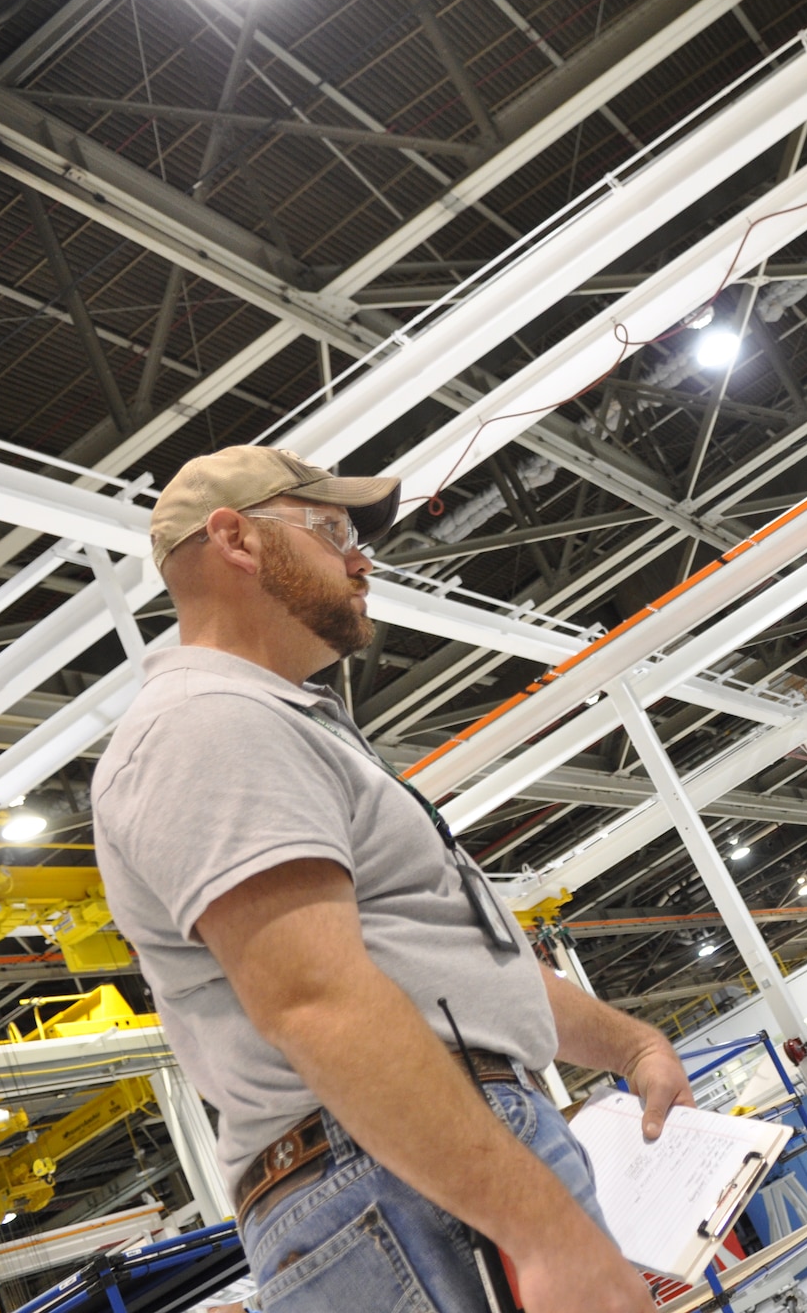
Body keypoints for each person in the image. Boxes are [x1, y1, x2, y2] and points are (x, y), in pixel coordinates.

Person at [92, 445, 693, 1313]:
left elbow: (444, 967)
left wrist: (629, 1046)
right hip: (391, 1179)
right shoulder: (207, 724)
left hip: (411, 1171)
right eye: (331, 530)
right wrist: (542, 1232)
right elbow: (318, 1003)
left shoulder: (275, 724)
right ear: (236, 539)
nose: (360, 558)